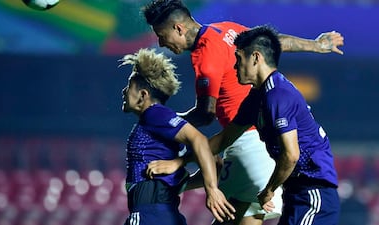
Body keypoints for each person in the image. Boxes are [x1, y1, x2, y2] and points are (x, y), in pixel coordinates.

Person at [141, 1, 344, 225]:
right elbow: (272, 43)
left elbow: (205, 114)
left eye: (162, 35)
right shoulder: (227, 30)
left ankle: (168, 185)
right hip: (255, 146)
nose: (161, 43)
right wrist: (315, 45)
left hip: (251, 147)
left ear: (178, 28)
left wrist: (161, 122)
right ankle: (174, 183)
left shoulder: (206, 56)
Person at [208, 24, 340, 225]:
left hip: (313, 192)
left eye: (238, 59)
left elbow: (291, 155)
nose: (234, 66)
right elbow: (225, 138)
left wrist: (269, 190)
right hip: (295, 192)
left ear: (256, 58)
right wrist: (180, 160)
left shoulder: (277, 95)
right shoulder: (257, 97)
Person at [120, 48, 235, 225]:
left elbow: (199, 140)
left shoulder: (154, 113)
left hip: (149, 213)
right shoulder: (165, 124)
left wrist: (211, 189)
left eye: (129, 86)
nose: (124, 91)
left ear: (143, 95)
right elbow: (216, 162)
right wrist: (175, 183)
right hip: (165, 212)